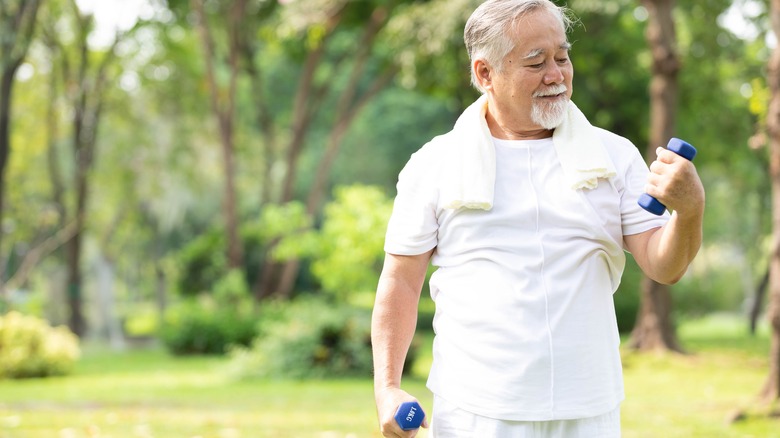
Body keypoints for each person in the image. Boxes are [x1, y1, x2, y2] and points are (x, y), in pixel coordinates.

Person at [371, 0, 705, 437]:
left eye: (562, 57)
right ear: (485, 73)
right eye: (536, 62)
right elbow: (401, 282)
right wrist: (388, 388)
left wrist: (690, 210)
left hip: (588, 408)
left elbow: (665, 266)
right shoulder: (434, 163)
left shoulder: (614, 156)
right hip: (476, 410)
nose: (557, 75)